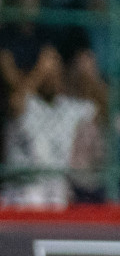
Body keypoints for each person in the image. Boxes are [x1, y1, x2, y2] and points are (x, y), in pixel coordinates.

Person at [1, 45, 101, 208]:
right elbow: (15, 102)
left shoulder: (68, 107)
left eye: (56, 68)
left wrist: (89, 77)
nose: (52, 75)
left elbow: (106, 110)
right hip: (21, 191)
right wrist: (39, 71)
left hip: (57, 192)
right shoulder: (29, 105)